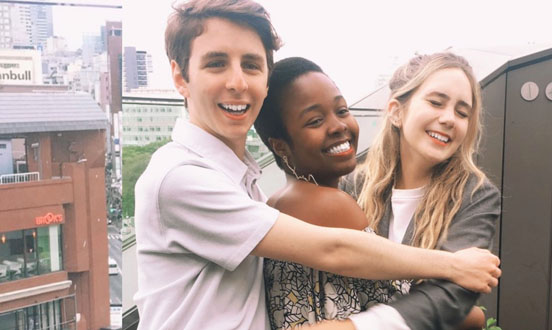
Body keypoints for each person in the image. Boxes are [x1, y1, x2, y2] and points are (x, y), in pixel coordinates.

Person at [133, 1, 501, 329]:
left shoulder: (250, 186)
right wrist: (455, 272)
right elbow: (337, 251)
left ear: (264, 79)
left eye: (251, 65)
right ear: (181, 77)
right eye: (216, 64)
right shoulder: (180, 178)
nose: (237, 82)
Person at [253, 56, 487, 330]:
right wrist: (475, 314)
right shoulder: (329, 205)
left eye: (341, 110)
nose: (339, 126)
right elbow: (417, 311)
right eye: (315, 120)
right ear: (280, 146)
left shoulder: (279, 202)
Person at [338, 52, 502, 330]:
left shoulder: (475, 195)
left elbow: (448, 296)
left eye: (462, 112)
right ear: (396, 111)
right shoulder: (352, 186)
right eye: (436, 102)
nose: (449, 118)